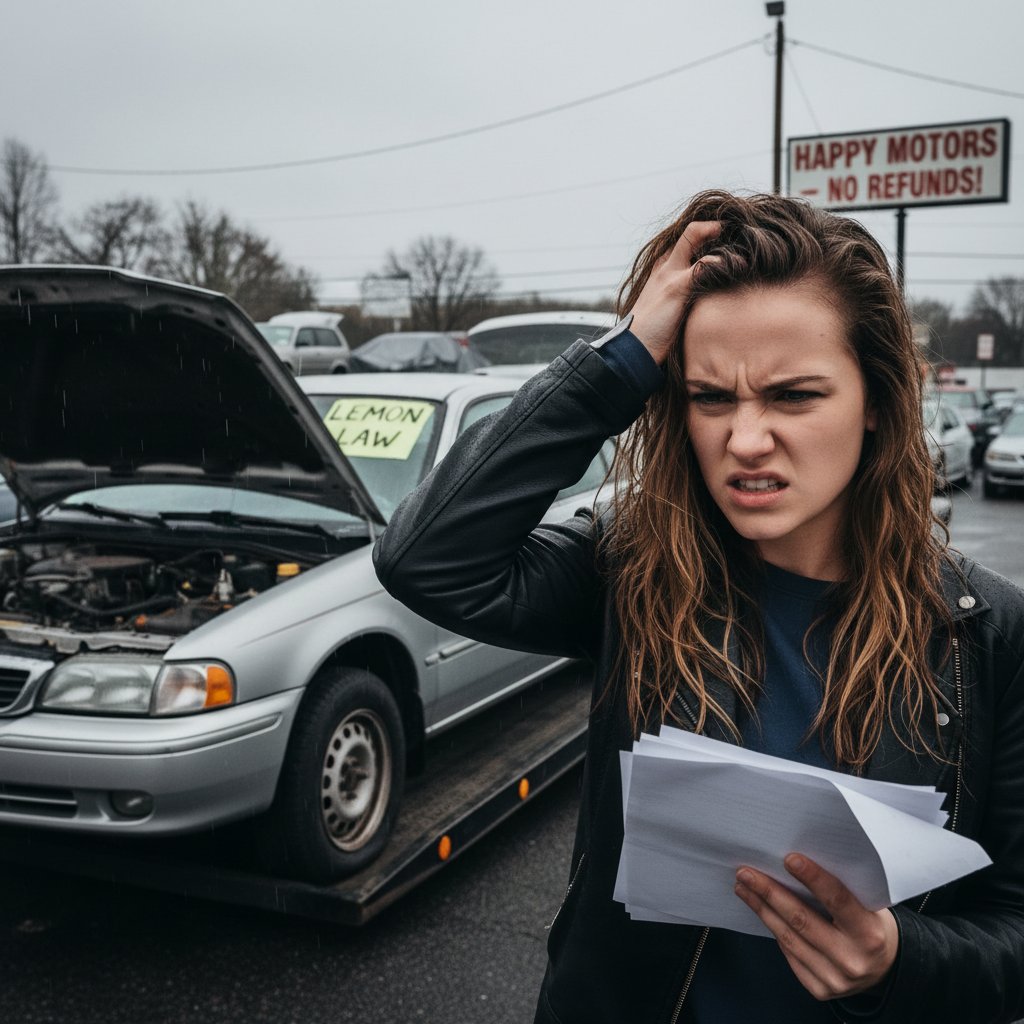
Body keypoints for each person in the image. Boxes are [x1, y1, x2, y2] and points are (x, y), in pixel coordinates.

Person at [373, 191, 1024, 1023]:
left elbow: (1011, 929)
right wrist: (623, 359)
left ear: (877, 404)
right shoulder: (636, 569)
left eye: (793, 396)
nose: (745, 440)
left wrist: (899, 961)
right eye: (710, 396)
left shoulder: (983, 629)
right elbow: (427, 558)